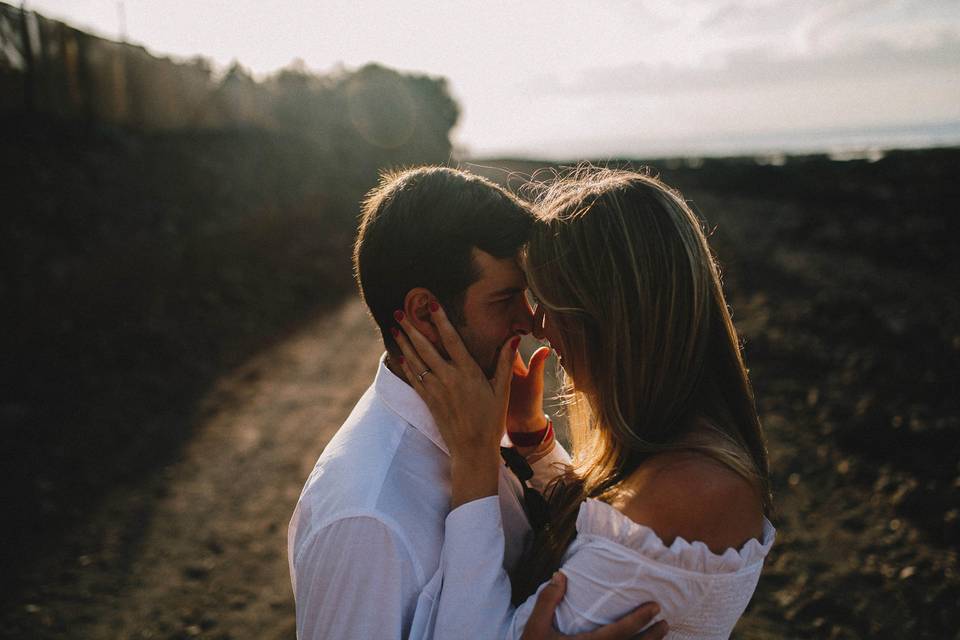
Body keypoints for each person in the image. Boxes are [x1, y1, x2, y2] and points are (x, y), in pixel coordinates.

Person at [392, 167, 776, 639]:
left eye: (551, 305)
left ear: (612, 317)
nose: (538, 328)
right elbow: (597, 518)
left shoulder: (692, 492)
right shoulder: (677, 458)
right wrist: (531, 437)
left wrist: (475, 457)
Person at [287, 166, 668, 639]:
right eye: (505, 298)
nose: (529, 321)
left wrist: (529, 438)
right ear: (428, 312)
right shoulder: (367, 521)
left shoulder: (479, 425)